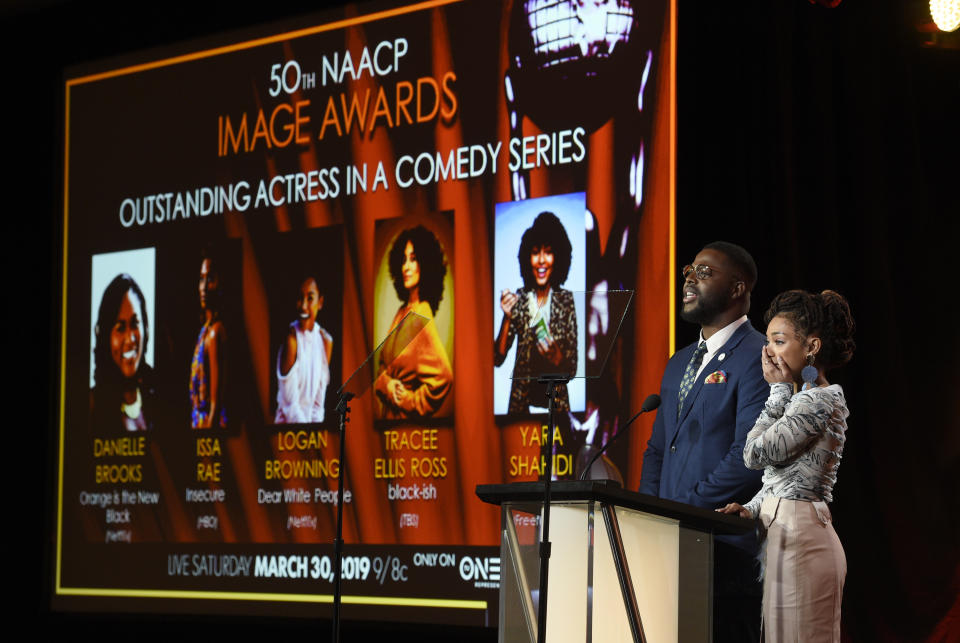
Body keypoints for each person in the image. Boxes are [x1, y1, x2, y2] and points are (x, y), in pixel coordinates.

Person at [639, 241, 767, 642]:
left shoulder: (758, 355)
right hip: (669, 543)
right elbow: (659, 448)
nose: (690, 279)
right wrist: (646, 514)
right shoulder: (679, 361)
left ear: (737, 289)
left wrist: (683, 511)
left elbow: (748, 456)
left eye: (705, 272)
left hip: (723, 550)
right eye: (689, 271)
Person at [718, 289, 855, 643]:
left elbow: (755, 454)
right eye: (767, 341)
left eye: (779, 341)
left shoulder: (819, 400)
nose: (768, 352)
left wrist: (777, 391)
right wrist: (750, 510)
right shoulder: (804, 399)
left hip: (803, 541)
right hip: (789, 535)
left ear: (811, 346)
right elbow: (783, 481)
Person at [494, 211, 577, 413]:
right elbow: (498, 358)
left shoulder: (566, 300)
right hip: (521, 408)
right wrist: (507, 317)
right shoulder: (520, 299)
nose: (541, 260)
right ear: (526, 258)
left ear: (558, 257)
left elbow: (572, 367)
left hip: (556, 409)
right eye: (535, 252)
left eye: (548, 252)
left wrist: (557, 358)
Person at [375, 225, 453, 419]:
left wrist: (409, 401)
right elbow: (382, 367)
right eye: (403, 260)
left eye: (413, 259)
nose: (405, 267)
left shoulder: (421, 314)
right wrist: (388, 385)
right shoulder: (402, 311)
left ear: (425, 263)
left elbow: (444, 378)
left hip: (405, 428)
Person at [91, 273, 156, 433]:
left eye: (135, 324)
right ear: (105, 336)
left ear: (146, 330)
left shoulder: (158, 397)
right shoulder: (91, 406)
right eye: (120, 328)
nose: (130, 339)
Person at [275, 276, 333, 424]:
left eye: (310, 298)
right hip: (286, 434)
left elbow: (319, 405)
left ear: (320, 303)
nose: (303, 306)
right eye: (300, 298)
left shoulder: (326, 341)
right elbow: (290, 408)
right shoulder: (291, 340)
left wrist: (316, 438)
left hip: (310, 437)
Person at [190, 250, 227, 428]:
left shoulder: (215, 332)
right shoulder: (205, 330)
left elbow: (215, 405)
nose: (204, 287)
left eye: (210, 279)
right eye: (201, 279)